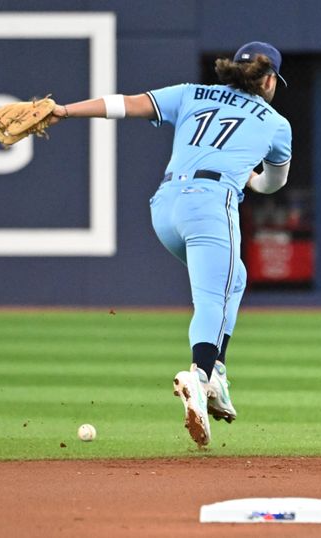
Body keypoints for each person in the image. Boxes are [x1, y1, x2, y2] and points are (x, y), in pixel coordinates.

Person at [45, 42, 292, 447]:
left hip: (165, 210)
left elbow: (123, 104)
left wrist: (64, 110)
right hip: (211, 205)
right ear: (268, 79)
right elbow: (272, 183)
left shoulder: (192, 92)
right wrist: (250, 177)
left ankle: (216, 377)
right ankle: (199, 376)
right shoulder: (276, 122)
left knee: (236, 279)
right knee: (212, 298)